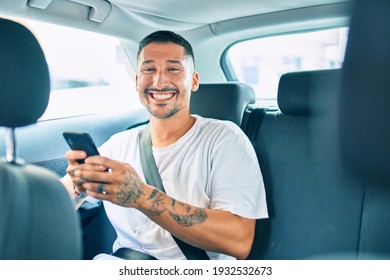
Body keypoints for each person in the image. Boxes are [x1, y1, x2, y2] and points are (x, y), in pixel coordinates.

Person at [61, 30, 268, 260]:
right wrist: (80, 186)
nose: (159, 81)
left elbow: (239, 241)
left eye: (173, 68)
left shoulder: (224, 139)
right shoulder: (119, 144)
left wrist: (141, 195)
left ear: (194, 80)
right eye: (149, 69)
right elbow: (56, 200)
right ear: (138, 81)